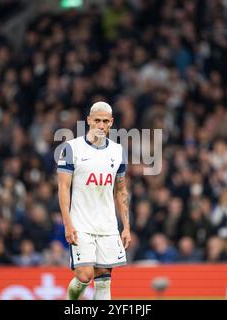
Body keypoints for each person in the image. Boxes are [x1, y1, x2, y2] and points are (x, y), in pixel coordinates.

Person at [57, 101, 131, 300]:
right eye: (96, 120)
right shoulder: (72, 149)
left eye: (105, 121)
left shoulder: (117, 152)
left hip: (107, 225)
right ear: (89, 120)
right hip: (80, 223)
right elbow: (63, 188)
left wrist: (126, 226)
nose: (100, 125)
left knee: (104, 280)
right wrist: (67, 223)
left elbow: (121, 191)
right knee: (84, 275)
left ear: (111, 123)